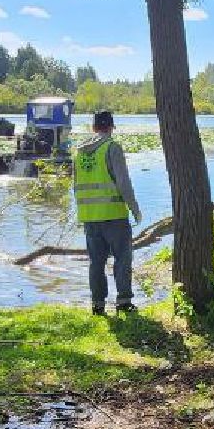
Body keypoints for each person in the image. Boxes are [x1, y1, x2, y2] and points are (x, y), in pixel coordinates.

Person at [73, 110, 142, 315]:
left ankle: (97, 304)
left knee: (96, 262)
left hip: (89, 216)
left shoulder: (79, 152)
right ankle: (123, 301)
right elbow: (123, 183)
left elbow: (76, 185)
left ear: (94, 128)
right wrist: (135, 209)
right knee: (122, 258)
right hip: (113, 215)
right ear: (111, 127)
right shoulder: (112, 147)